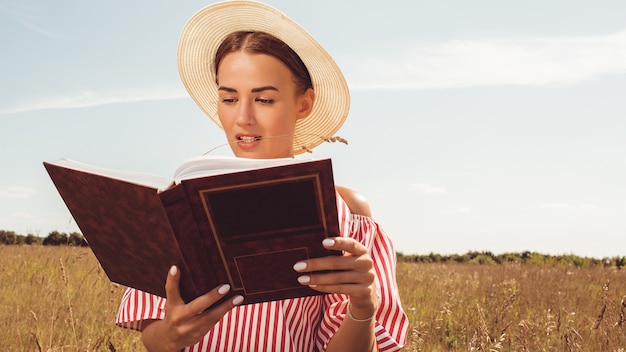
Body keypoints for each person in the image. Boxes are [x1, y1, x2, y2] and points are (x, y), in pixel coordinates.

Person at [116, 1, 408, 351]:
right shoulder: (179, 207)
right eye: (229, 99)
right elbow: (155, 340)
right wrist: (171, 335)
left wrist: (363, 307)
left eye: (265, 100)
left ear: (304, 103)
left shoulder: (344, 211)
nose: (243, 118)